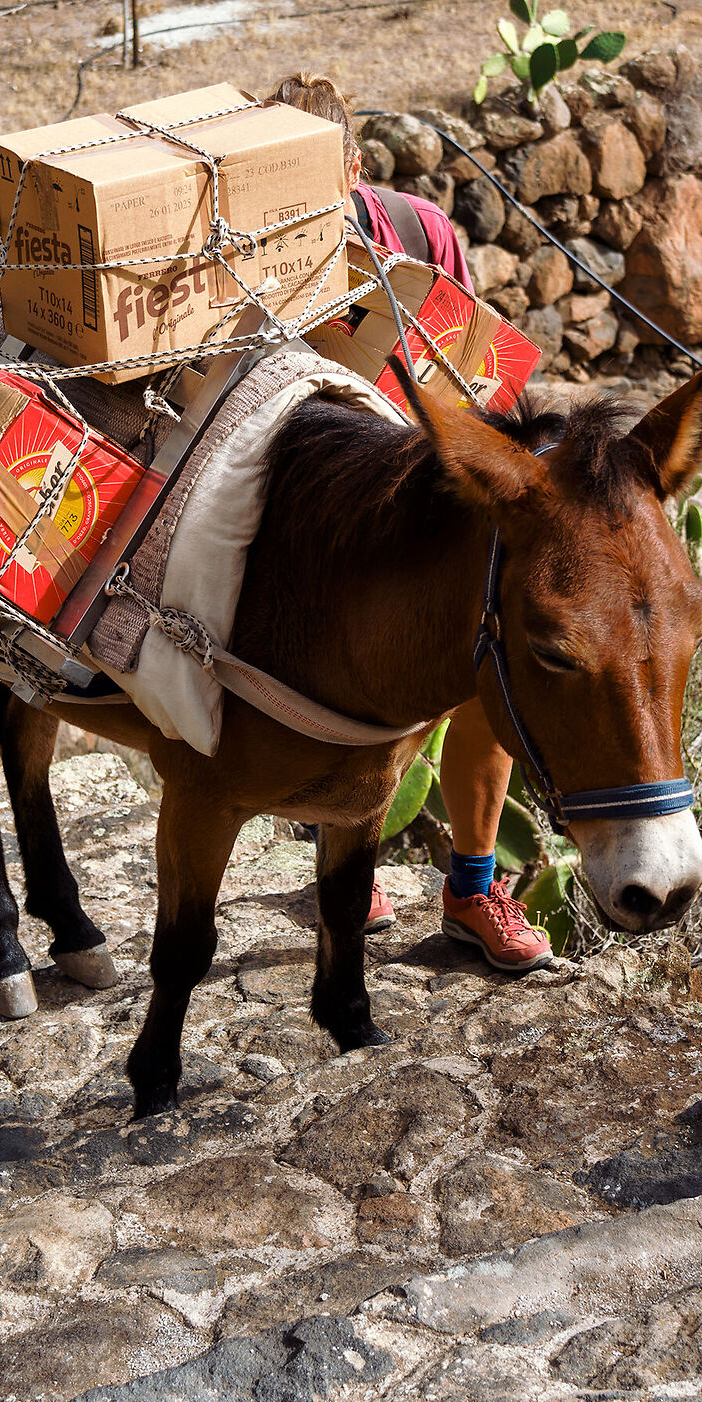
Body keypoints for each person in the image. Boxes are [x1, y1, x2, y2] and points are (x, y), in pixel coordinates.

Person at [266, 73, 551, 975]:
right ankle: (345, 864)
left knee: (481, 687)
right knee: (357, 699)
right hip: (333, 517)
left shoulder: (421, 232)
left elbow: (474, 367)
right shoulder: (253, 255)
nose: (304, 207)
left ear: (353, 164)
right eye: (286, 186)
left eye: (320, 183)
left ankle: (472, 890)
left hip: (433, 492)